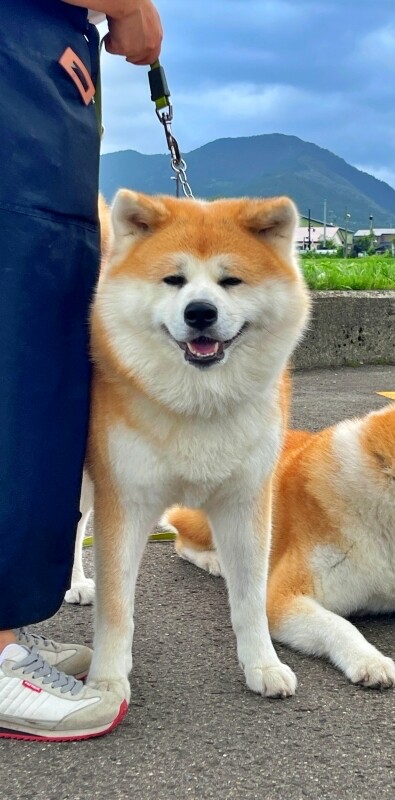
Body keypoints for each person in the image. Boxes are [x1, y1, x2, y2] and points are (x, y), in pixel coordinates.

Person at [0, 0, 163, 740]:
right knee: (12, 372)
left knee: (33, 373)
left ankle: (2, 630)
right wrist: (130, 4)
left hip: (41, 70)